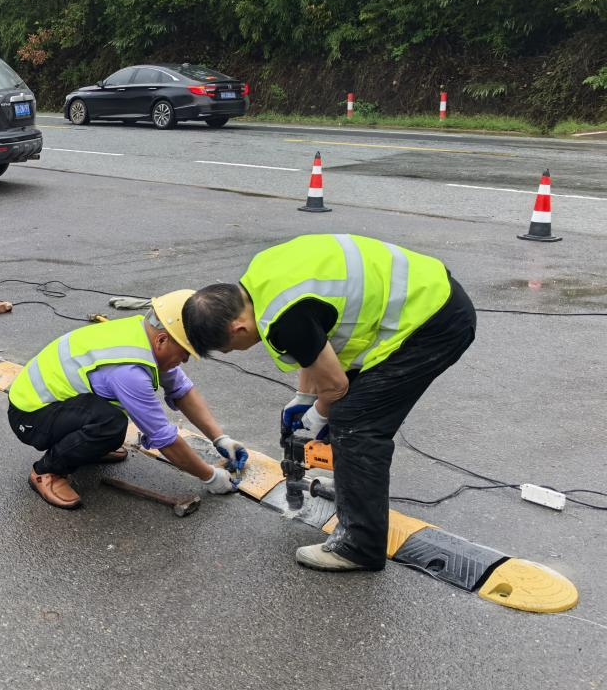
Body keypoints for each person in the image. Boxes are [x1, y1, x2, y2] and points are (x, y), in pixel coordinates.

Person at [183, 233, 477, 573]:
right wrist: (304, 397)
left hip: (433, 323)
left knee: (355, 422)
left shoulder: (283, 319)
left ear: (237, 329)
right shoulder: (259, 279)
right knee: (349, 407)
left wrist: (316, 416)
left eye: (230, 348)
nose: (236, 351)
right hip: (428, 293)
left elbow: (335, 386)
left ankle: (360, 546)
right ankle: (354, 487)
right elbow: (314, 342)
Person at [8, 289, 248, 510]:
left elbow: (181, 390)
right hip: (30, 415)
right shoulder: (129, 371)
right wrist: (210, 477)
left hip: (56, 404)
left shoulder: (144, 334)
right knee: (110, 424)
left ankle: (84, 446)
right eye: (185, 353)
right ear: (162, 340)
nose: (185, 360)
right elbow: (164, 438)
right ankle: (47, 471)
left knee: (111, 428)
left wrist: (220, 438)